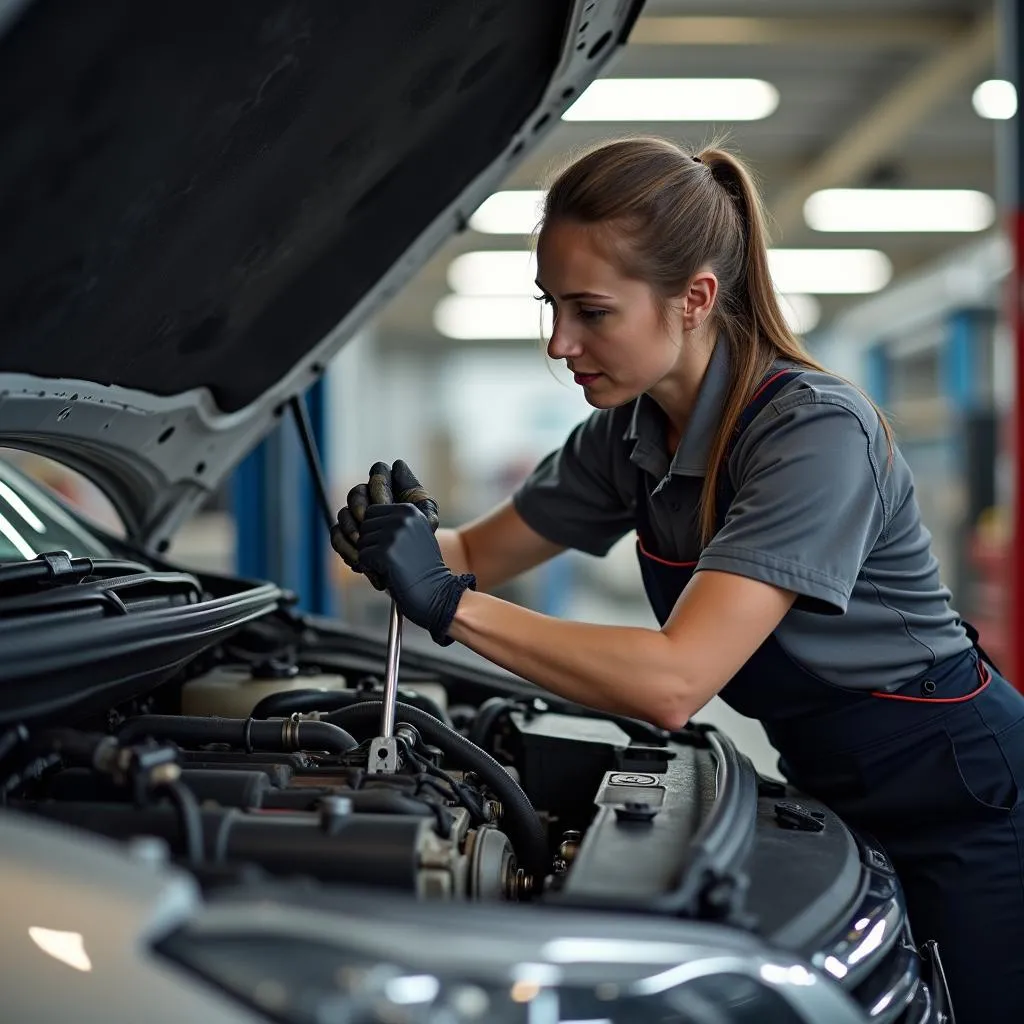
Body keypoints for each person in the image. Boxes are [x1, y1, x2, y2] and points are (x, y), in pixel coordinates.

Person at [330, 137, 1024, 1022]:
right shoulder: (625, 433)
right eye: (552, 307)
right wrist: (393, 539)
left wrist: (445, 601)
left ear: (694, 299)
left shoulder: (813, 434)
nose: (560, 341)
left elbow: (673, 682)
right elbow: (468, 556)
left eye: (591, 312)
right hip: (835, 784)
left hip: (964, 798)